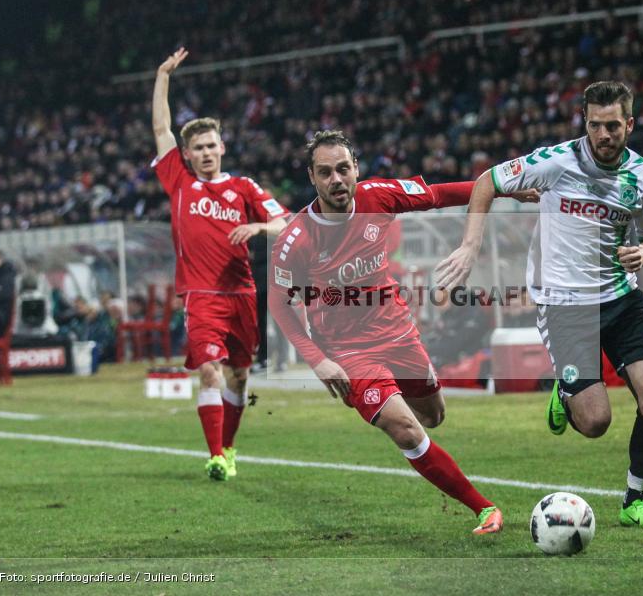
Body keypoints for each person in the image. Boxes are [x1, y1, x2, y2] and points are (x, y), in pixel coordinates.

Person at [269, 130, 537, 535]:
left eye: (343, 169)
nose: (336, 180)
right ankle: (484, 508)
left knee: (433, 416)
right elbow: (280, 306)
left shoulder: (379, 196)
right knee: (406, 428)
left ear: (356, 168)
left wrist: (504, 191)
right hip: (346, 352)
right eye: (325, 173)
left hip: (396, 332)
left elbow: (439, 194)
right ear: (312, 177)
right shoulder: (296, 240)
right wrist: (318, 360)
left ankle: (427, 440)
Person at [436, 81, 643, 528]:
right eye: (595, 125)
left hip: (622, 297)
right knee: (596, 422)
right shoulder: (556, 161)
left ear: (630, 124)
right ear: (585, 122)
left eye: (613, 126)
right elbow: (487, 181)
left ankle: (635, 500)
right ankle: (566, 395)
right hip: (566, 306)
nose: (604, 134)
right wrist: (470, 246)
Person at [151, 47, 289, 481]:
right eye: (198, 147)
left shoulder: (244, 187)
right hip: (200, 295)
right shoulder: (178, 181)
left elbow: (284, 224)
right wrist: (162, 77)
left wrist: (258, 229)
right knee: (209, 370)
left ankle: (228, 448)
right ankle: (214, 454)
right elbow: (160, 127)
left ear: (222, 147)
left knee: (240, 377)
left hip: (242, 294)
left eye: (212, 145)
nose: (207, 152)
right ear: (187, 154)